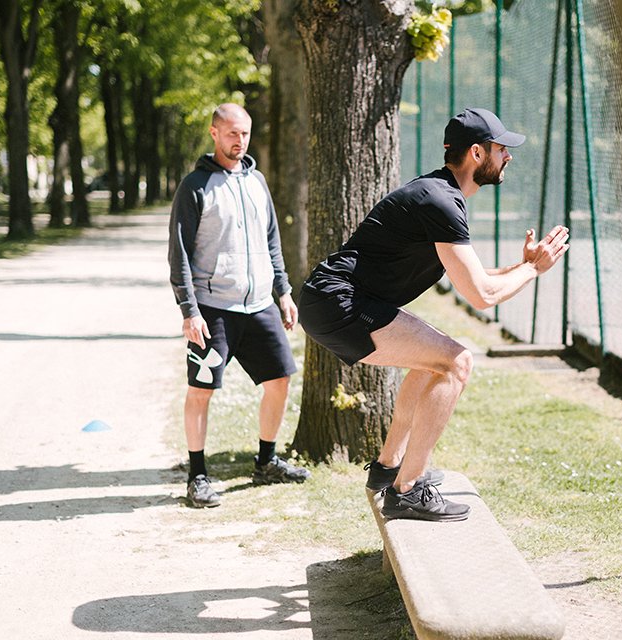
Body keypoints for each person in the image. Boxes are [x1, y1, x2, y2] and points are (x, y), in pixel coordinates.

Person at [298, 108, 569, 522]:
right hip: (340, 302)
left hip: (335, 300)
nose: (508, 156)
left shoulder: (439, 194)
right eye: (501, 149)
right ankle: (407, 489)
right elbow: (482, 296)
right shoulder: (441, 201)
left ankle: (390, 468)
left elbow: (473, 276)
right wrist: (534, 269)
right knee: (456, 361)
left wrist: (521, 266)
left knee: (432, 363)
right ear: (477, 153)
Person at [168, 103, 310, 508]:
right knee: (201, 390)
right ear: (214, 133)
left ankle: (266, 462)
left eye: (244, 133)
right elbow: (178, 254)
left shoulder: (257, 181)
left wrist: (283, 291)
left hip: (259, 304)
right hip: (213, 310)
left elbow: (271, 242)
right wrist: (189, 310)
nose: (239, 141)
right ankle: (197, 476)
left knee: (280, 380)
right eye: (231, 133)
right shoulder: (195, 186)